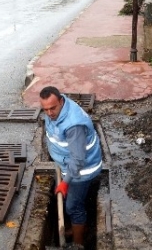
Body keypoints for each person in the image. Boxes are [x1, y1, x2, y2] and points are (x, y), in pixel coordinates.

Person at [40, 86, 103, 246]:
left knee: (73, 207)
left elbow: (78, 160)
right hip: (67, 166)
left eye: (52, 108)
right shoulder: (56, 112)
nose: (49, 113)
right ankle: (79, 226)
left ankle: (78, 243)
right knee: (72, 204)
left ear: (61, 101)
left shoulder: (73, 125)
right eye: (45, 109)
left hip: (81, 172)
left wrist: (65, 182)